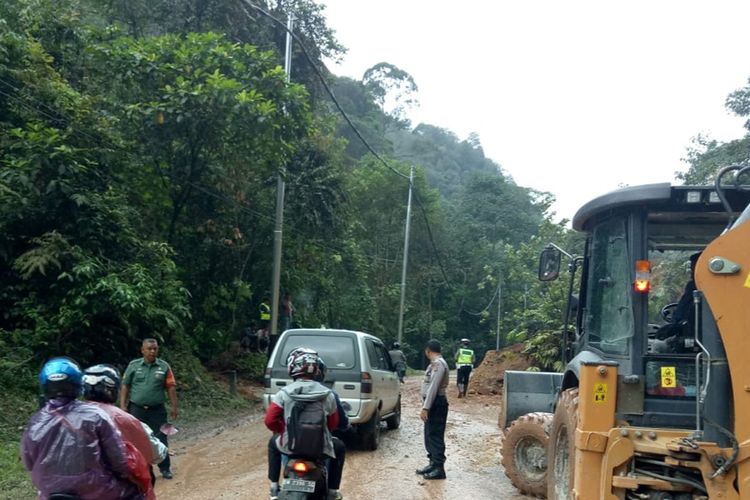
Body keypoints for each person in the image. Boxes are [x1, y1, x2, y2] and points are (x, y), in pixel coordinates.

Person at [21, 357, 143, 499]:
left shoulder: (36, 421)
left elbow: (28, 463)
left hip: (50, 493)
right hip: (97, 491)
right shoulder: (95, 416)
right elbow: (118, 460)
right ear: (78, 384)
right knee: (135, 492)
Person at [266, 356, 347, 500]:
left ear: (292, 369)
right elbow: (333, 424)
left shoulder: (283, 393)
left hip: (291, 445)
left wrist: (283, 430)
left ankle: (273, 487)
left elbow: (270, 421)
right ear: (316, 371)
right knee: (339, 447)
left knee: (273, 444)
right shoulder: (328, 394)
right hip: (319, 448)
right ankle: (333, 491)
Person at [83, 364, 168, 499]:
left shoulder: (67, 417)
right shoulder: (122, 419)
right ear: (112, 389)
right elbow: (152, 453)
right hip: (117, 489)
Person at [120, 338, 178, 480]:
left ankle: (165, 469)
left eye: (155, 349)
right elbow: (125, 385)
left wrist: (174, 406)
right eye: (149, 349)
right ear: (143, 350)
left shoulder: (164, 366)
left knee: (161, 437)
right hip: (136, 409)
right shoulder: (133, 366)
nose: (152, 351)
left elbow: (171, 387)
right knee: (137, 439)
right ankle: (143, 470)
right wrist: (122, 405)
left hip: (158, 410)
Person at [416, 339, 449, 480]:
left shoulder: (439, 365)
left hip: (436, 403)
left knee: (435, 435)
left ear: (428, 350)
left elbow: (433, 388)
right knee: (429, 434)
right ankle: (432, 463)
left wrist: (426, 407)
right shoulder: (434, 364)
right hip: (432, 403)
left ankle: (439, 468)